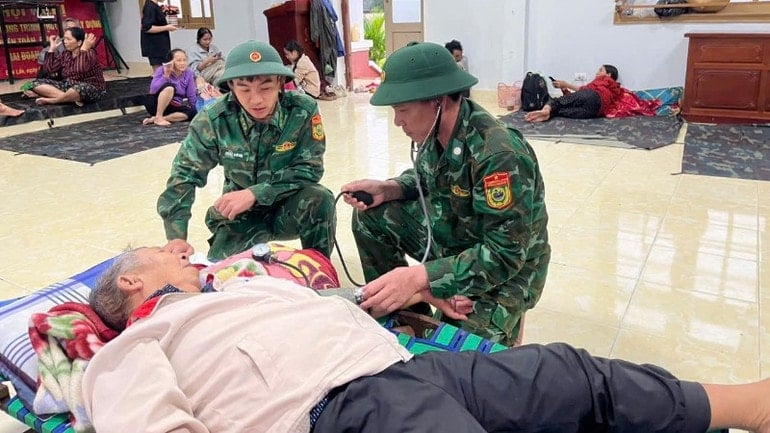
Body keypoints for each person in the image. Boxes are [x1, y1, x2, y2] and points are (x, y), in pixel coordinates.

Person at [83, 244, 770, 433]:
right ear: (135, 281)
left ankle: (746, 404)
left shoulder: (240, 288)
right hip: (332, 405)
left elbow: (340, 301)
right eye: (167, 255)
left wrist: (425, 288)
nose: (184, 253)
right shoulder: (126, 350)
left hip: (404, 365)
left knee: (565, 372)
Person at [341, 42, 549, 346]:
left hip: (504, 270)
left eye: (402, 110)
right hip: (457, 241)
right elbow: (428, 177)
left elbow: (505, 255)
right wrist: (390, 189)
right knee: (370, 216)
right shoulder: (435, 130)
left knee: (455, 353)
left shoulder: (498, 154)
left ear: (437, 101)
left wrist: (420, 278)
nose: (398, 121)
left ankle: (436, 300)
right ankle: (408, 312)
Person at [157, 40, 336, 260]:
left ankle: (320, 268)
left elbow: (310, 168)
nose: (256, 100)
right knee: (221, 273)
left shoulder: (301, 110)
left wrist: (255, 193)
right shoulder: (215, 119)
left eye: (266, 88)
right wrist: (176, 237)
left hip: (288, 205)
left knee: (320, 198)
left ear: (280, 82)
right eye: (244, 89)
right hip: (241, 214)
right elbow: (184, 174)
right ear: (231, 86)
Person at [24, 27, 106, 107]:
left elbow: (79, 70)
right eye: (65, 39)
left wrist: (83, 49)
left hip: (90, 88)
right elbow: (49, 70)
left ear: (79, 42)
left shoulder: (90, 53)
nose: (65, 42)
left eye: (68, 39)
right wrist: (52, 49)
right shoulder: (66, 53)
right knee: (34, 84)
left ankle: (54, 100)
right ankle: (70, 99)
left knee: (79, 88)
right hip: (69, 86)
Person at [525, 64, 623, 122]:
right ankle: (547, 114)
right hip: (595, 111)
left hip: (592, 96)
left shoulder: (606, 80)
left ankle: (546, 110)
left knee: (556, 101)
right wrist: (564, 89)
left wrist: (566, 84)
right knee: (561, 110)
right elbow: (577, 98)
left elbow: (584, 90)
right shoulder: (615, 90)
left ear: (608, 74)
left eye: (600, 70)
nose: (597, 73)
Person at [142, 48, 197, 126]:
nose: (182, 63)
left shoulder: (188, 73)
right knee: (170, 88)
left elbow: (191, 95)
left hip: (174, 105)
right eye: (178, 61)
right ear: (171, 62)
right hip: (156, 103)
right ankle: (159, 116)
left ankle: (158, 118)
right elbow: (153, 90)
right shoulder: (161, 70)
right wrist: (166, 76)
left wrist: (196, 110)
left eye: (184, 60)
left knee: (192, 113)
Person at [140, 0, 180, 72]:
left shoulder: (155, 5)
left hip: (161, 45)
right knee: (159, 73)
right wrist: (167, 27)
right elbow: (147, 28)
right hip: (154, 46)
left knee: (165, 72)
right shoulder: (150, 6)